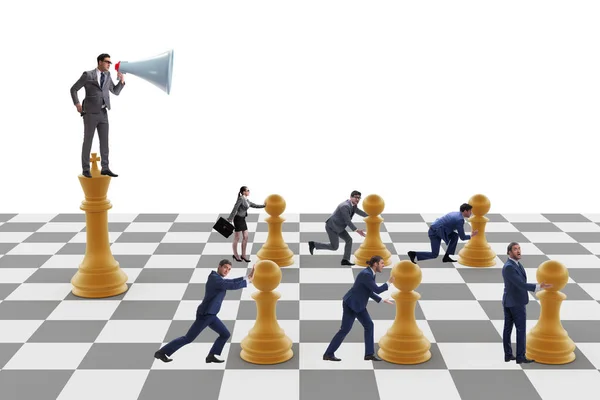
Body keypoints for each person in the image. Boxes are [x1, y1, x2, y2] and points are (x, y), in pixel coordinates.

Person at [154, 259, 254, 363]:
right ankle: (161, 352)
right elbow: (230, 285)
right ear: (219, 266)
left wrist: (248, 277)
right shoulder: (214, 278)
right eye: (225, 267)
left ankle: (211, 355)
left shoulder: (219, 279)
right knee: (188, 338)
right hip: (205, 314)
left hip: (211, 315)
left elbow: (231, 281)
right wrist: (248, 281)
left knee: (225, 334)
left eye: (229, 269)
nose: (227, 271)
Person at [323, 255, 394, 362]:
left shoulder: (371, 273)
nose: (383, 265)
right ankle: (328, 354)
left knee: (369, 325)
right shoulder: (366, 274)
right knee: (345, 330)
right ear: (375, 264)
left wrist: (381, 300)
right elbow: (377, 289)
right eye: (382, 263)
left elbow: (368, 291)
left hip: (359, 305)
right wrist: (389, 282)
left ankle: (369, 354)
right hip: (351, 305)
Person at [70, 53, 125, 178]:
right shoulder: (88, 75)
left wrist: (121, 82)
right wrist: (77, 104)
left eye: (110, 62)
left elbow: (115, 92)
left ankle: (105, 168)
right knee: (88, 141)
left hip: (103, 113)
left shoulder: (108, 75)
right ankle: (85, 169)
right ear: (100, 62)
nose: (109, 64)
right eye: (107, 62)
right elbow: (73, 89)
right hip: (90, 113)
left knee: (104, 142)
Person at [502, 242, 551, 364]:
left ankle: (508, 355)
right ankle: (520, 356)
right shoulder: (509, 267)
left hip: (510, 300)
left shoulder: (516, 265)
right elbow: (521, 284)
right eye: (515, 249)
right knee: (520, 329)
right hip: (515, 302)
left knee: (508, 329)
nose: (518, 251)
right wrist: (539, 287)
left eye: (519, 248)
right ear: (509, 252)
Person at [308, 190, 367, 266]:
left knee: (349, 240)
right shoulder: (345, 206)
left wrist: (371, 215)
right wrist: (357, 230)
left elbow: (359, 212)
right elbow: (348, 221)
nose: (358, 199)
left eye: (359, 198)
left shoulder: (354, 205)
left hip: (339, 227)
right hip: (332, 227)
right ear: (351, 197)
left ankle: (345, 260)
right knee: (334, 247)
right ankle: (314, 244)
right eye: (356, 197)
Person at [408, 203, 478, 263]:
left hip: (436, 229)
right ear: (465, 211)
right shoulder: (460, 220)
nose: (471, 213)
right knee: (434, 254)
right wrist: (471, 236)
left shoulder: (455, 213)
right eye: (470, 211)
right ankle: (414, 254)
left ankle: (446, 257)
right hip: (435, 233)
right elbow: (462, 237)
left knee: (455, 236)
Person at [227, 186, 265, 262]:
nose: (249, 191)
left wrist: (264, 205)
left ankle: (243, 255)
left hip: (242, 219)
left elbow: (254, 205)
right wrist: (230, 218)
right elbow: (235, 208)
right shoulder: (241, 199)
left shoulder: (246, 200)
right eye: (248, 190)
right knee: (237, 238)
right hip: (237, 219)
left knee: (246, 237)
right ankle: (235, 255)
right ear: (244, 192)